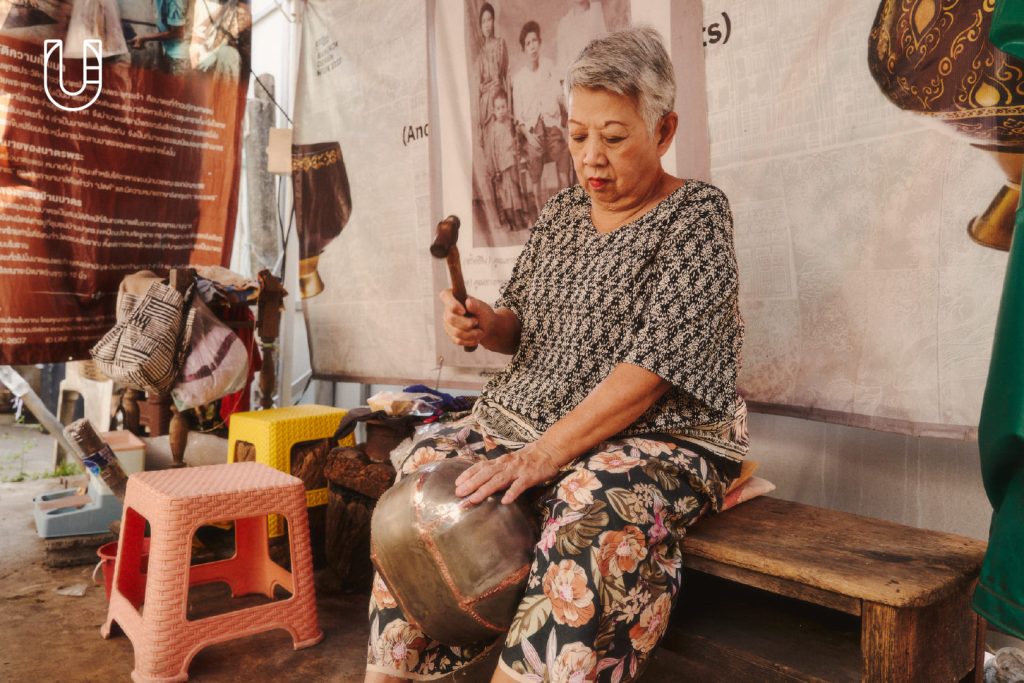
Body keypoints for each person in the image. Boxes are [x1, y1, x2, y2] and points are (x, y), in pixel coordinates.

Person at [365, 26, 747, 683]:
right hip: (533, 416)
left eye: (614, 136)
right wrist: (488, 325)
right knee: (430, 472)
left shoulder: (696, 216)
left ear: (664, 129)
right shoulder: (562, 213)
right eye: (577, 136)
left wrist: (543, 455)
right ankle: (396, 672)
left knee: (585, 498)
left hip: (659, 432)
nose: (591, 157)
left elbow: (654, 369)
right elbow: (527, 327)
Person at [511, 20, 572, 216]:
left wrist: (567, 121)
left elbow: (560, 96)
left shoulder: (549, 67)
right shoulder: (519, 80)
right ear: (524, 48)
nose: (532, 46)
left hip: (552, 125)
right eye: (528, 43)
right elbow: (519, 118)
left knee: (563, 152)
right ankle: (539, 213)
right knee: (534, 159)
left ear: (539, 42)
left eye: (534, 41)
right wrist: (528, 137)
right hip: (532, 131)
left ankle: (567, 212)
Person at [483, 91, 528, 231]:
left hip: (512, 163)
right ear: (493, 111)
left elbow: (516, 142)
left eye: (503, 107)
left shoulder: (510, 123)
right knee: (506, 195)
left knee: (515, 191)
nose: (501, 111)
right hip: (502, 167)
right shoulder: (494, 129)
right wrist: (496, 169)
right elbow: (493, 151)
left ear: (507, 107)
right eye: (498, 108)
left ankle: (519, 218)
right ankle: (510, 221)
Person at [476, 2, 511, 138]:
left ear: (493, 21)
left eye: (489, 19)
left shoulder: (500, 44)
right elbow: (480, 86)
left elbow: (506, 75)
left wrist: (509, 104)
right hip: (486, 103)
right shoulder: (480, 54)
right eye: (483, 21)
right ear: (480, 25)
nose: (486, 24)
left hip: (499, 99)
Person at [129, 0, 190, 74]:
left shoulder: (175, 2)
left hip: (179, 58)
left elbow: (177, 33)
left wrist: (144, 38)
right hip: (168, 52)